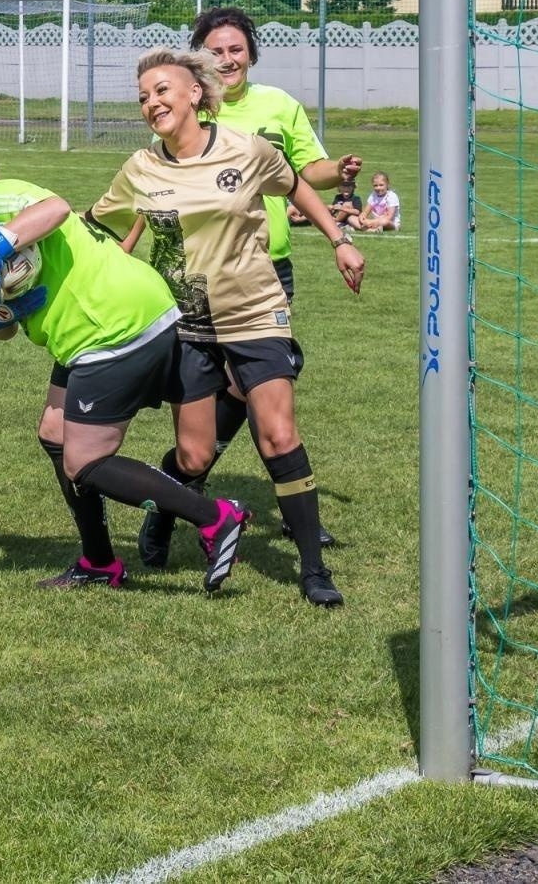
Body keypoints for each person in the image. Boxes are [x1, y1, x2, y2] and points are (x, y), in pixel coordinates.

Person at [87, 48, 366, 607]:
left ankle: (313, 569)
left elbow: (296, 189)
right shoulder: (140, 169)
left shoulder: (247, 149)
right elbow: (96, 228)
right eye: (143, 96)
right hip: (188, 324)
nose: (152, 103)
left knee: (278, 434)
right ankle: (166, 514)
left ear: (196, 92)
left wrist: (340, 240)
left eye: (162, 90)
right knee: (192, 459)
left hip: (256, 311)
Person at [0, 138, 249, 592]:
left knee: (86, 462)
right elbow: (5, 330)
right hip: (98, 329)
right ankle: (98, 561)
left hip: (109, 326)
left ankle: (216, 517)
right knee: (54, 435)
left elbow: (56, 207)